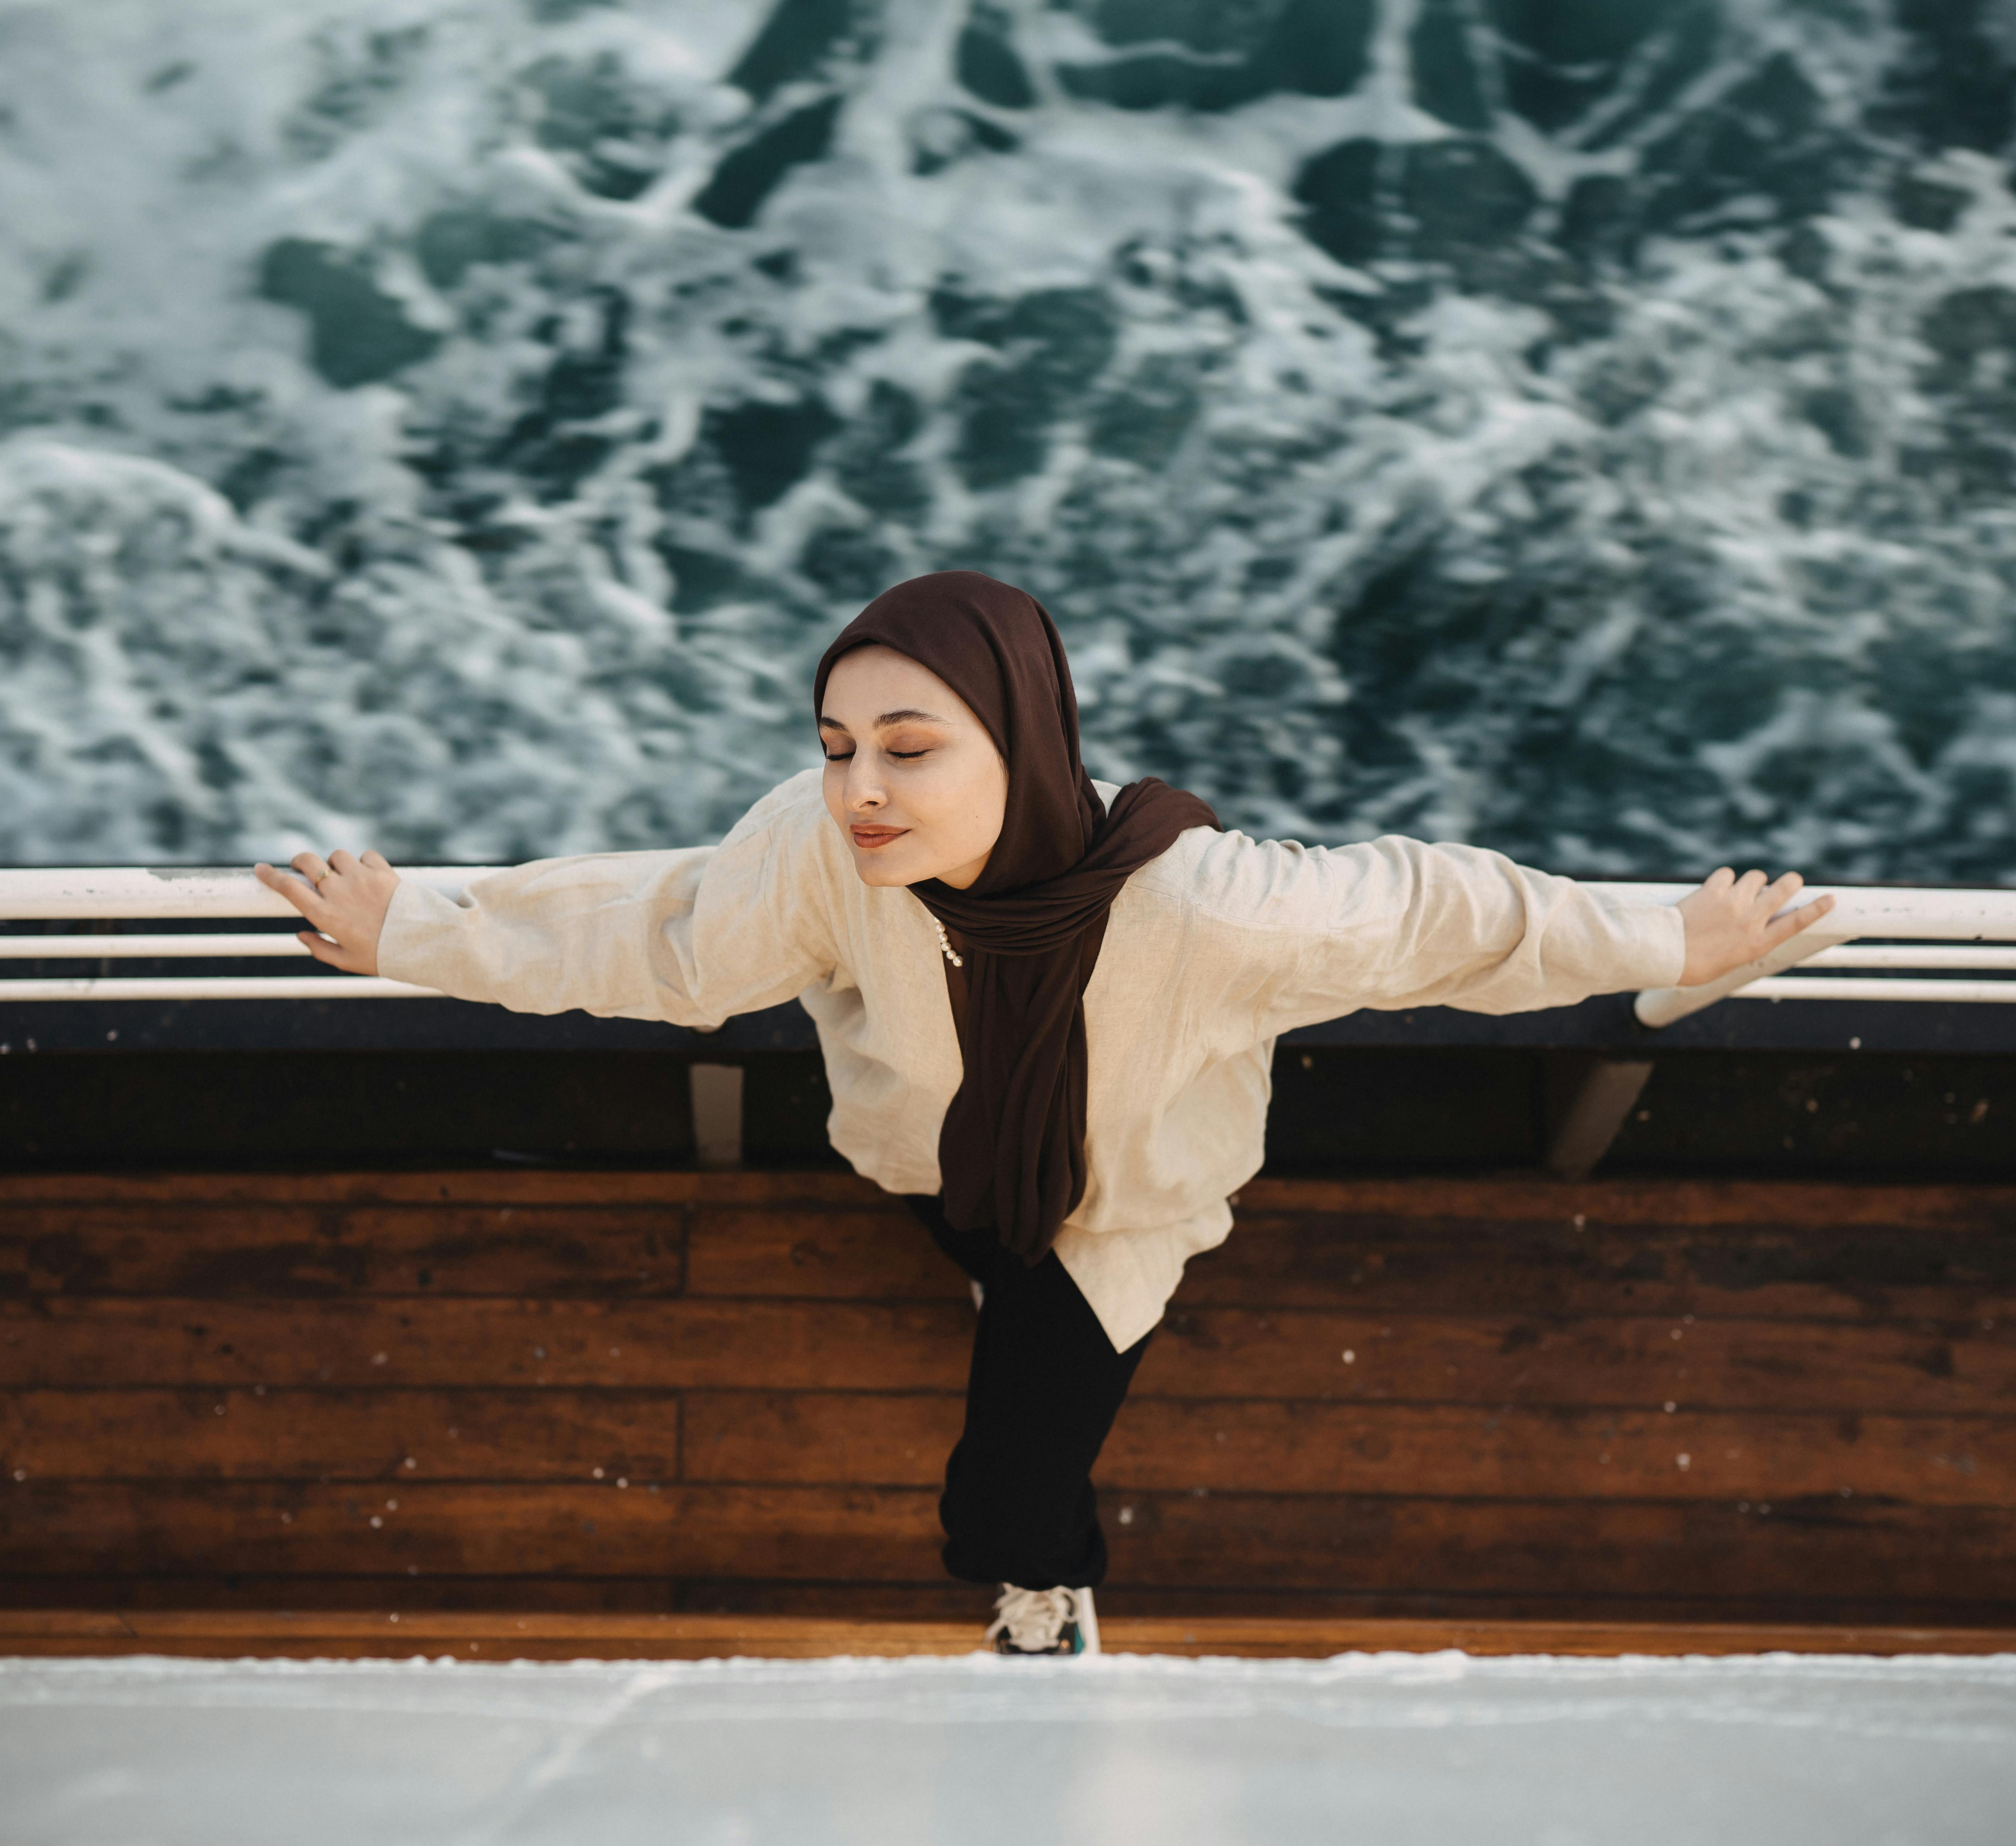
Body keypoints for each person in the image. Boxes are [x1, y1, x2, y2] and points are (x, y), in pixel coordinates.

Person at [254, 570, 1833, 1657]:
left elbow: (1441, 913)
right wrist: (417, 929)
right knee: (966, 1244)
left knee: (1004, 1497)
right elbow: (669, 933)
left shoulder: (1208, 904)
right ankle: (981, 1282)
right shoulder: (822, 851)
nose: (860, 783)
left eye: (909, 745)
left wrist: (1669, 943)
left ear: (1019, 735)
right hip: (929, 1162)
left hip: (1117, 1215)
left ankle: (1045, 1598)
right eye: (836, 745)